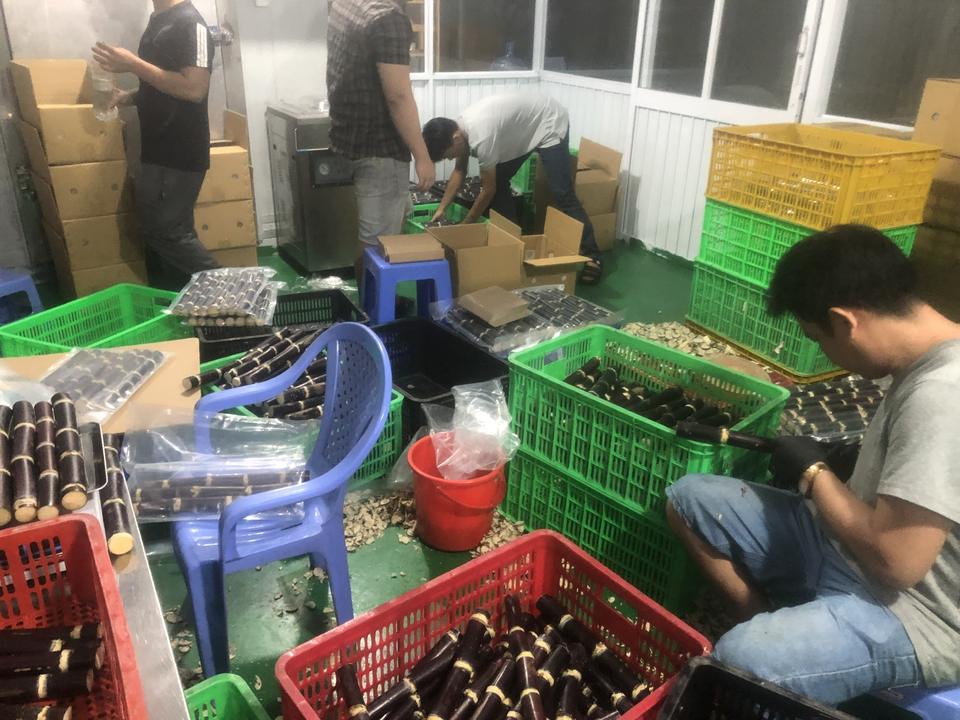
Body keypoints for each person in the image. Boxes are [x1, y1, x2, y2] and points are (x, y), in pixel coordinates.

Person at [666, 225, 960, 705]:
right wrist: (850, 465)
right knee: (689, 499)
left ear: (844, 321)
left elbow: (898, 563)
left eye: (818, 339)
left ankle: (774, 669)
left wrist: (814, 475)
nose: (828, 356)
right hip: (843, 542)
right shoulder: (920, 359)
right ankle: (770, 630)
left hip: (912, 609)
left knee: (737, 663)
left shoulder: (943, 395)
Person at [93, 0, 219, 290]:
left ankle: (237, 292)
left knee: (167, 232)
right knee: (166, 231)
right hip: (157, 147)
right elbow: (163, 85)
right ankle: (194, 303)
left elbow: (194, 88)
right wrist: (129, 97)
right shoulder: (159, 19)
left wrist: (132, 64)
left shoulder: (191, 22)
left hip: (180, 150)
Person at [421, 93, 601, 283]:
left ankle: (593, 256)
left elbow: (488, 190)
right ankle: (514, 245)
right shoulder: (459, 131)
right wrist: (441, 209)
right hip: (526, 128)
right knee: (499, 183)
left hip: (549, 121)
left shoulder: (481, 137)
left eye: (448, 155)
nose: (450, 158)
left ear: (456, 139)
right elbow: (459, 171)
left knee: (562, 192)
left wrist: (467, 224)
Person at [327, 0, 435, 255]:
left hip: (347, 137)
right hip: (380, 149)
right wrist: (423, 157)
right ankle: (373, 284)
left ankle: (374, 282)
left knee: (376, 235)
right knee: (378, 247)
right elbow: (398, 97)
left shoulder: (346, 3)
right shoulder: (387, 19)